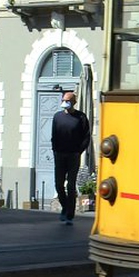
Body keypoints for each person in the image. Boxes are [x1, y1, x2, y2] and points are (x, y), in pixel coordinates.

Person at [50, 90, 91, 224]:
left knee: (71, 185)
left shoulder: (81, 117)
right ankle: (65, 207)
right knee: (58, 184)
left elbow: (86, 136)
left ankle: (69, 214)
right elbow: (54, 135)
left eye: (67, 101)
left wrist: (79, 151)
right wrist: (55, 149)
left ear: (74, 102)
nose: (64, 103)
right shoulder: (57, 117)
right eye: (63, 100)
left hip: (73, 155)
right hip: (59, 154)